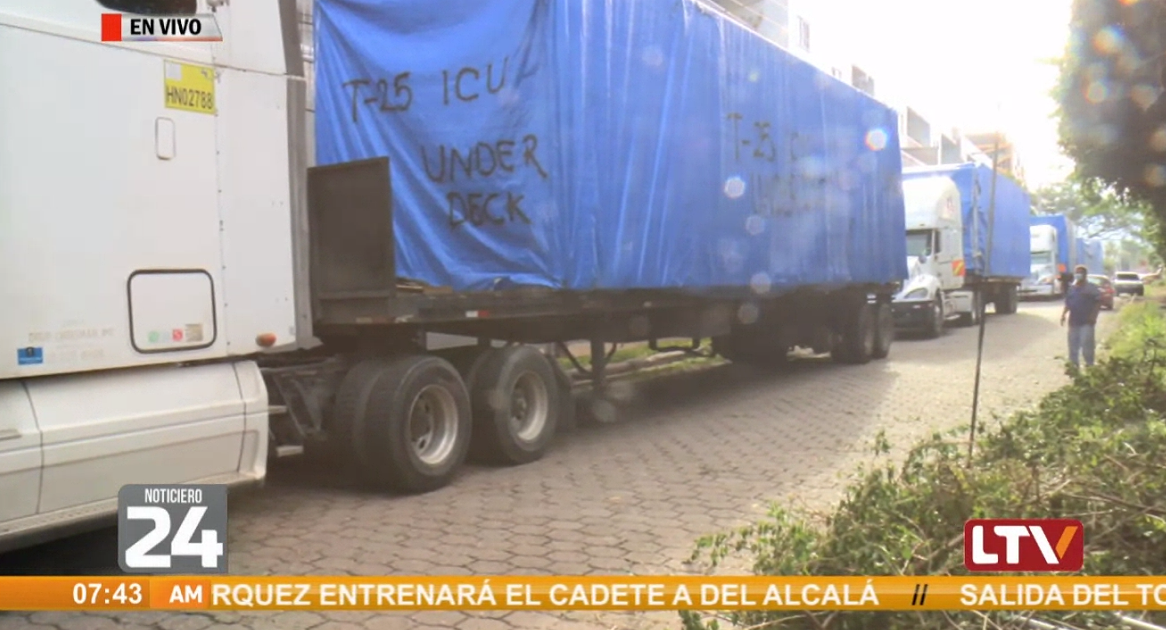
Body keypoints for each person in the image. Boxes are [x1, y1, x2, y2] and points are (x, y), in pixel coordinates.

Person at [1061, 265, 1103, 368]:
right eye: (1076, 272)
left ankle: (1090, 366)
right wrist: (1063, 315)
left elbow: (1098, 302)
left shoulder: (1091, 288)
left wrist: (1093, 316)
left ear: (1085, 274)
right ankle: (1074, 367)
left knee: (1086, 345)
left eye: (1080, 272)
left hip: (1087, 322)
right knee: (1073, 346)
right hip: (1073, 322)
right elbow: (1068, 303)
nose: (1078, 275)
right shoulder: (1072, 288)